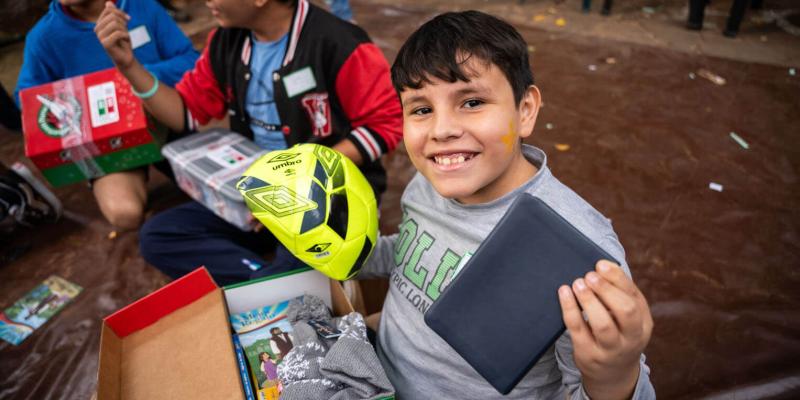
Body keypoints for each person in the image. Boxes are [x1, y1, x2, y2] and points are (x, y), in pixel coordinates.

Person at [355, 11, 656, 399]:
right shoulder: (430, 181)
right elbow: (409, 253)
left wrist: (614, 375)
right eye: (421, 109)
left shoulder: (579, 254)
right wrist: (345, 251)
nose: (442, 130)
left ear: (525, 110)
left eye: (472, 101)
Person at [96, 0, 402, 285]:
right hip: (251, 196)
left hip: (321, 199)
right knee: (158, 237)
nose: (206, 1)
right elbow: (184, 113)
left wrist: (293, 188)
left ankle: (274, 282)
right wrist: (129, 67)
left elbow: (386, 122)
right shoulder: (225, 42)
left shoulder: (340, 42)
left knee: (313, 256)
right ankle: (273, 281)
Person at [14, 0, 199, 231]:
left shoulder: (142, 7)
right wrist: (85, 97)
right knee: (124, 214)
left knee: (222, 182)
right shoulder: (43, 37)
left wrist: (138, 77)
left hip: (165, 117)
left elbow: (190, 60)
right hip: (109, 144)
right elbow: (27, 99)